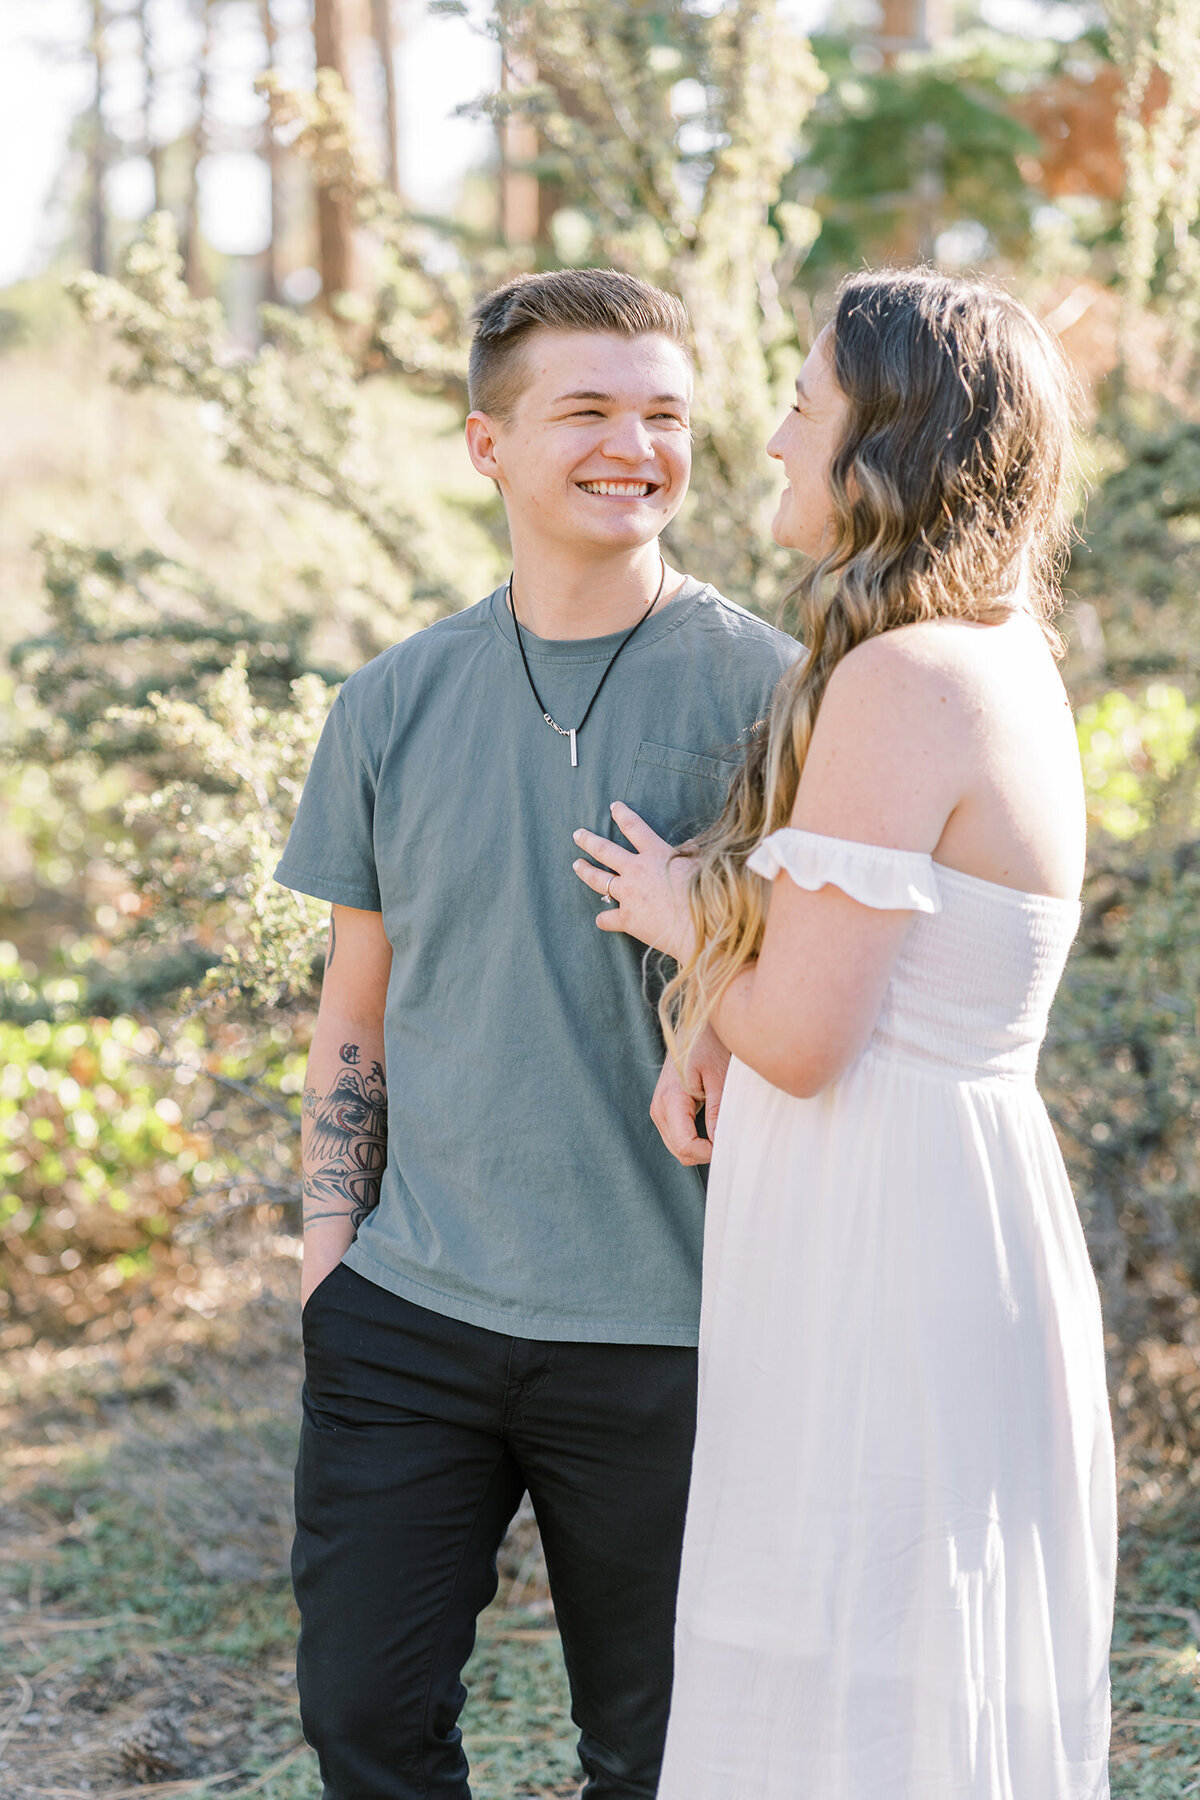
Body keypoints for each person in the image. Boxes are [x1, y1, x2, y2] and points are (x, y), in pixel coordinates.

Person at [572, 267, 1116, 1797]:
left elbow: (810, 1039)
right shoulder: (993, 655)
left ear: (887, 442)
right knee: (894, 1667)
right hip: (937, 1203)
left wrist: (682, 919)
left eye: (804, 407)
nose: (775, 440)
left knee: (859, 1656)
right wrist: (720, 1012)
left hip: (891, 1236)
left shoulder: (906, 678)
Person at [272, 267, 797, 1800]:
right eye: (586, 409)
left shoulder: (776, 693)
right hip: (410, 1320)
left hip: (675, 1330)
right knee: (364, 1724)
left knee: (660, 1756)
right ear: (487, 446)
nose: (633, 445)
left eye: (663, 412)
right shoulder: (390, 701)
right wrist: (328, 1270)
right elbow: (355, 1012)